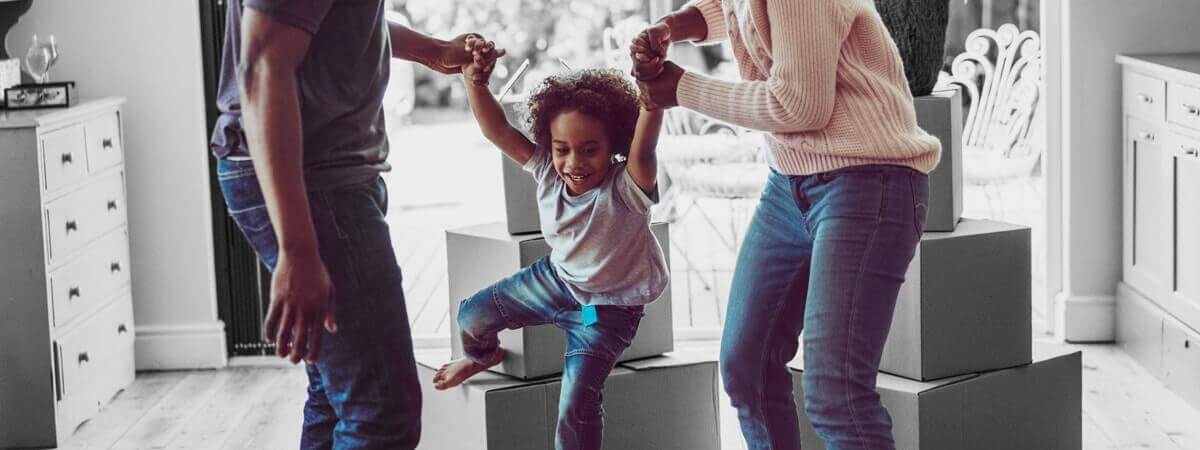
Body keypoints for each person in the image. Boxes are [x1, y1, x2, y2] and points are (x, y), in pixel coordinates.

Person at [630, 1, 942, 449]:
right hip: (789, 185)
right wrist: (676, 25)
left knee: (837, 396)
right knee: (747, 367)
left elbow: (799, 106)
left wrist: (683, 89)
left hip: (869, 180)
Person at [208, 0, 491, 447]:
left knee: (336, 394)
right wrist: (298, 249)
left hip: (329, 179)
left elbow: (346, 22)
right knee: (381, 413)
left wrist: (436, 52)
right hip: (315, 183)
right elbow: (262, 65)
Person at [430, 39, 668, 450]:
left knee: (576, 406)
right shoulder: (546, 170)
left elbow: (645, 145)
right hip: (555, 282)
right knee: (471, 315)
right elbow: (498, 130)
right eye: (562, 149)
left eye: (590, 150)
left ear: (612, 145)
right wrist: (476, 83)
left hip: (608, 311)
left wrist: (651, 95)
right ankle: (483, 355)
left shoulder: (628, 186)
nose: (574, 163)